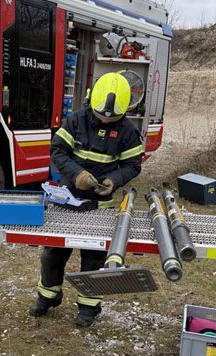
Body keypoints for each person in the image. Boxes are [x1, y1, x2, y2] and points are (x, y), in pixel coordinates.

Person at [29, 72, 145, 327]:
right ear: (91, 101)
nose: (104, 119)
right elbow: (57, 150)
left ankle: (88, 308)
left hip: (100, 205)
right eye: (101, 114)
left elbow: (133, 166)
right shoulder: (76, 120)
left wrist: (113, 181)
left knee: (93, 258)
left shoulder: (128, 132)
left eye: (111, 117)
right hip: (67, 199)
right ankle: (48, 296)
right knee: (54, 252)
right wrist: (76, 174)